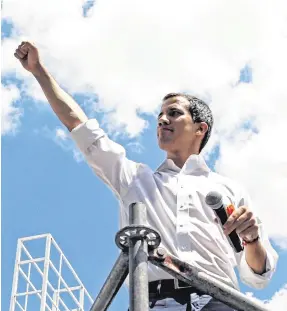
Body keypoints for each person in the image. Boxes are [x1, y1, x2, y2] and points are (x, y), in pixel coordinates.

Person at [14, 41, 278, 311]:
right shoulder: (134, 180)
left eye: (174, 113)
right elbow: (80, 126)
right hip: (153, 303)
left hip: (219, 303)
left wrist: (252, 239)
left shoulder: (228, 189)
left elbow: (258, 276)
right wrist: (38, 71)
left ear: (200, 128)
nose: (162, 120)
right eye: (160, 115)